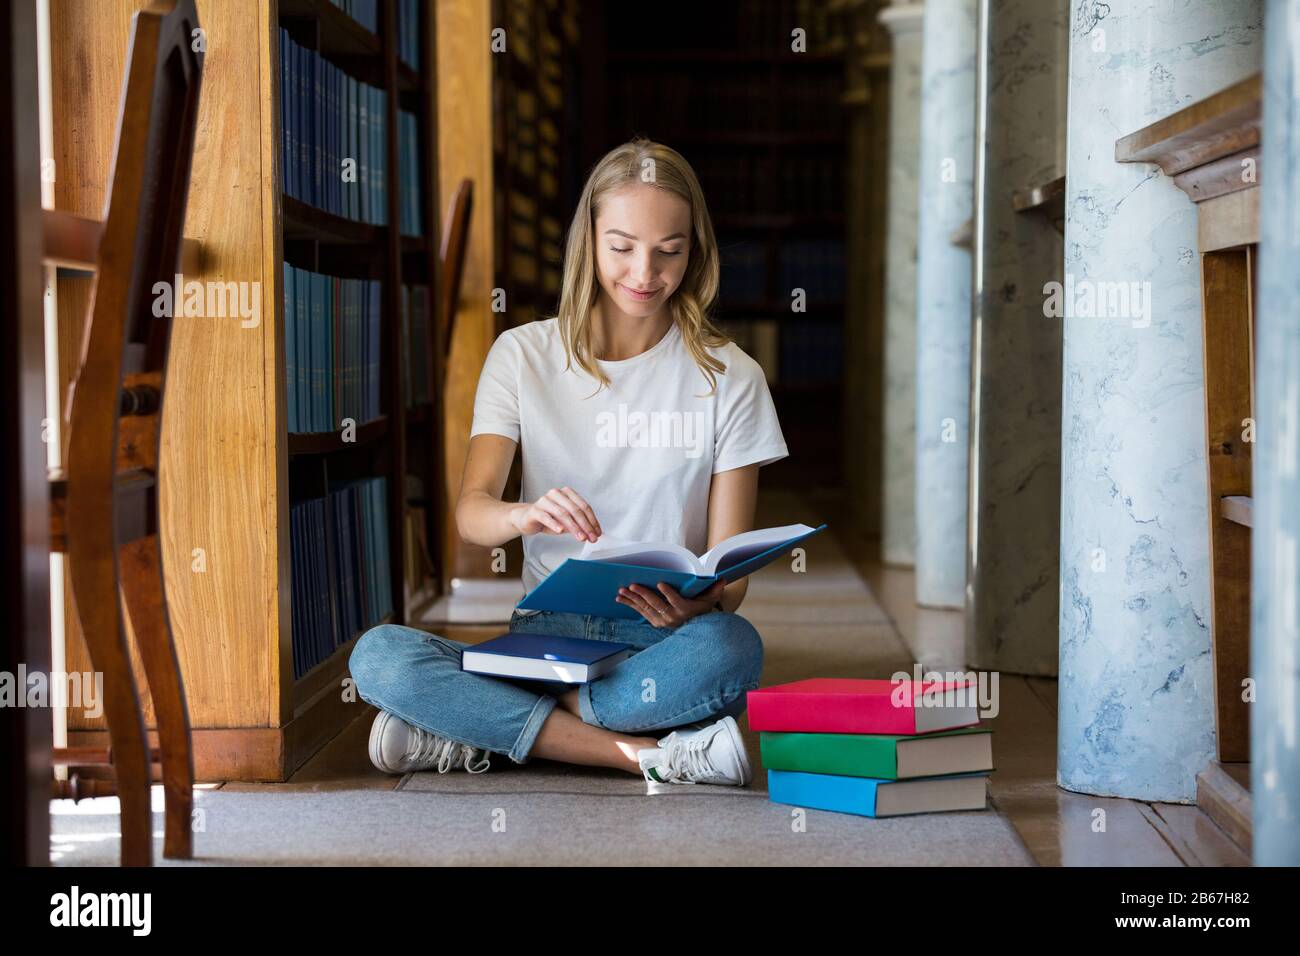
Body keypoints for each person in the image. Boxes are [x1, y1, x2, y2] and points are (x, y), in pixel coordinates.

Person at [349, 138, 788, 787]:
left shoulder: (732, 376)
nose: (646, 272)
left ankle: (485, 731)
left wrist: (702, 606)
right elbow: (472, 516)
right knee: (379, 655)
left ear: (694, 250)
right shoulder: (521, 355)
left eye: (670, 250)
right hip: (544, 641)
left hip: (659, 639)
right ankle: (642, 752)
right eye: (623, 247)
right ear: (589, 238)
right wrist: (522, 514)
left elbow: (733, 574)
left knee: (733, 647)